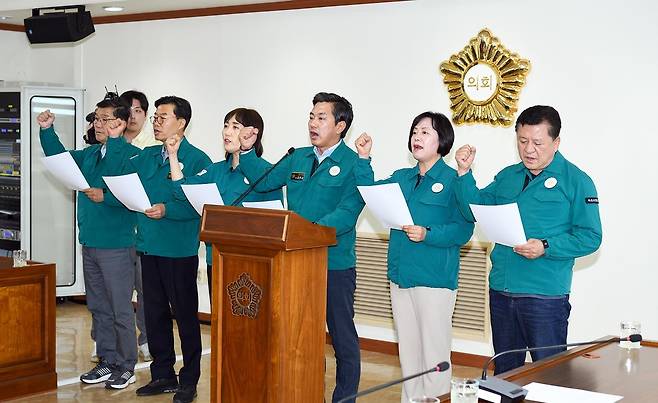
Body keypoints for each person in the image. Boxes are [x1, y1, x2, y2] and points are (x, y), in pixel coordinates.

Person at [453, 105, 602, 374]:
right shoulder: (508, 176)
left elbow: (591, 237)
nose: (529, 150)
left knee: (550, 375)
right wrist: (464, 174)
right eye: (522, 141)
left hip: (544, 295)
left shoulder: (577, 181)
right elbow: (473, 209)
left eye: (537, 143)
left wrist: (546, 246)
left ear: (556, 142)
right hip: (502, 290)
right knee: (506, 374)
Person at [238, 92, 365, 403]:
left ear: (340, 125)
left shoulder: (353, 164)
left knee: (341, 338)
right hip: (294, 262)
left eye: (321, 117)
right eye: (311, 116)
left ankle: (344, 398)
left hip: (333, 264)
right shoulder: (298, 157)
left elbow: (348, 212)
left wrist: (307, 232)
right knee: (302, 336)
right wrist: (247, 150)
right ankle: (307, 392)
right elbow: (263, 179)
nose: (313, 123)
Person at [354, 112, 473, 400]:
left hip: (434, 279)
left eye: (425, 133)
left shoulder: (452, 179)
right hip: (400, 276)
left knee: (434, 356)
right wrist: (363, 159)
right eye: (415, 132)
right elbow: (370, 193)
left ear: (442, 140)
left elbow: (464, 228)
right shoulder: (401, 177)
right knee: (408, 354)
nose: (417, 138)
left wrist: (428, 233)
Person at [37, 97, 141, 389]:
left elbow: (132, 193)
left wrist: (105, 196)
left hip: (117, 245)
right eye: (96, 118)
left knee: (121, 307)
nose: (98, 124)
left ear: (120, 123)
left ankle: (126, 364)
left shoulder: (131, 155)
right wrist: (47, 130)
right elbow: (62, 160)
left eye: (105, 119)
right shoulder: (92, 153)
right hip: (92, 242)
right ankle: (108, 360)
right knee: (98, 306)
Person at [127, 96, 211, 403]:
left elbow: (198, 206)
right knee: (154, 314)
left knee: (186, 317)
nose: (157, 122)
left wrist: (167, 209)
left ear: (182, 123)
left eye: (163, 117)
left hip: (178, 250)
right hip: (149, 246)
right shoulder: (147, 155)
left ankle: (189, 379)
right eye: (155, 118)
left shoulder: (199, 159)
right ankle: (162, 373)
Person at [168, 107, 282, 303]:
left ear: (253, 134)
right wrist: (172, 155)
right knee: (220, 323)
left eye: (235, 127)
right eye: (226, 125)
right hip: (217, 259)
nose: (227, 132)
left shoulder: (266, 173)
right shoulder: (216, 170)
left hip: (252, 264)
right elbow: (181, 190)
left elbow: (275, 224)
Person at [118, 89, 160, 362]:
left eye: (138, 111)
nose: (132, 116)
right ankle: (106, 341)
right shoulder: (111, 144)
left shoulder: (151, 146)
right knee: (116, 290)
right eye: (127, 111)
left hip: (145, 229)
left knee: (147, 290)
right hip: (119, 231)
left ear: (145, 115)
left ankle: (146, 338)